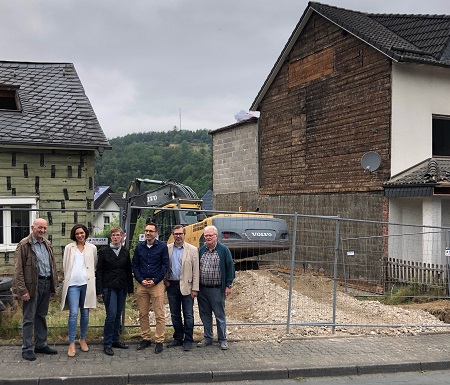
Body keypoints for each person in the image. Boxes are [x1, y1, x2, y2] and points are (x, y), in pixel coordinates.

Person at [13, 218, 58, 361]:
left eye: (44, 228)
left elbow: (52, 265)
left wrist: (53, 285)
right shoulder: (24, 244)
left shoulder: (47, 244)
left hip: (46, 283)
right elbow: (18, 270)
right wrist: (22, 290)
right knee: (29, 318)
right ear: (33, 227)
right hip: (32, 285)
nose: (42, 231)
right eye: (40, 228)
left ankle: (40, 344)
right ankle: (27, 348)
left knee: (41, 316)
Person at [96, 226, 134, 356]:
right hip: (109, 287)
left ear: (122, 236)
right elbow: (99, 271)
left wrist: (130, 288)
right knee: (111, 315)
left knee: (118, 314)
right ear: (110, 237)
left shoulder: (125, 252)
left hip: (122, 287)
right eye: (113, 235)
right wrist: (99, 289)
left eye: (118, 235)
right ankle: (107, 343)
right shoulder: (104, 252)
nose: (116, 237)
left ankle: (115, 340)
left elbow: (128, 270)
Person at [132, 222, 169, 354]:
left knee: (159, 314)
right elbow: (135, 265)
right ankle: (146, 338)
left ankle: (159, 340)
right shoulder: (139, 247)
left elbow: (165, 265)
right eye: (146, 231)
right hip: (142, 284)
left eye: (151, 231)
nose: (148, 233)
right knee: (143, 313)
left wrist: (155, 281)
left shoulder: (162, 247)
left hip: (156, 284)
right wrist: (141, 280)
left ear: (156, 233)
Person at [60, 224, 97, 357]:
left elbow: (94, 264)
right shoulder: (69, 248)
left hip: (86, 284)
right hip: (73, 286)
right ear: (74, 235)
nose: (80, 235)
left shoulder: (92, 248)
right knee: (74, 313)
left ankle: (82, 339)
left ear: (85, 233)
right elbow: (65, 265)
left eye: (82, 233)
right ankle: (71, 342)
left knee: (85, 313)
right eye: (77, 234)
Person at [197, 225, 235, 350]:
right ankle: (208, 337)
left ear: (216, 236)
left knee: (219, 315)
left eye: (210, 235)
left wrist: (228, 285)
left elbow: (230, 268)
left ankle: (222, 339)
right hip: (202, 289)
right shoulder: (201, 250)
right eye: (206, 235)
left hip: (217, 289)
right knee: (205, 315)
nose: (208, 237)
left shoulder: (223, 250)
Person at [165, 225, 199, 351]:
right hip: (172, 286)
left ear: (184, 235)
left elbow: (196, 271)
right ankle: (178, 338)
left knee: (188, 315)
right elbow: (164, 266)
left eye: (180, 234)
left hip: (187, 287)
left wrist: (195, 288)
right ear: (173, 235)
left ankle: (188, 340)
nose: (178, 236)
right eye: (175, 234)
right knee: (175, 314)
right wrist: (165, 280)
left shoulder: (193, 250)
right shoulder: (167, 249)